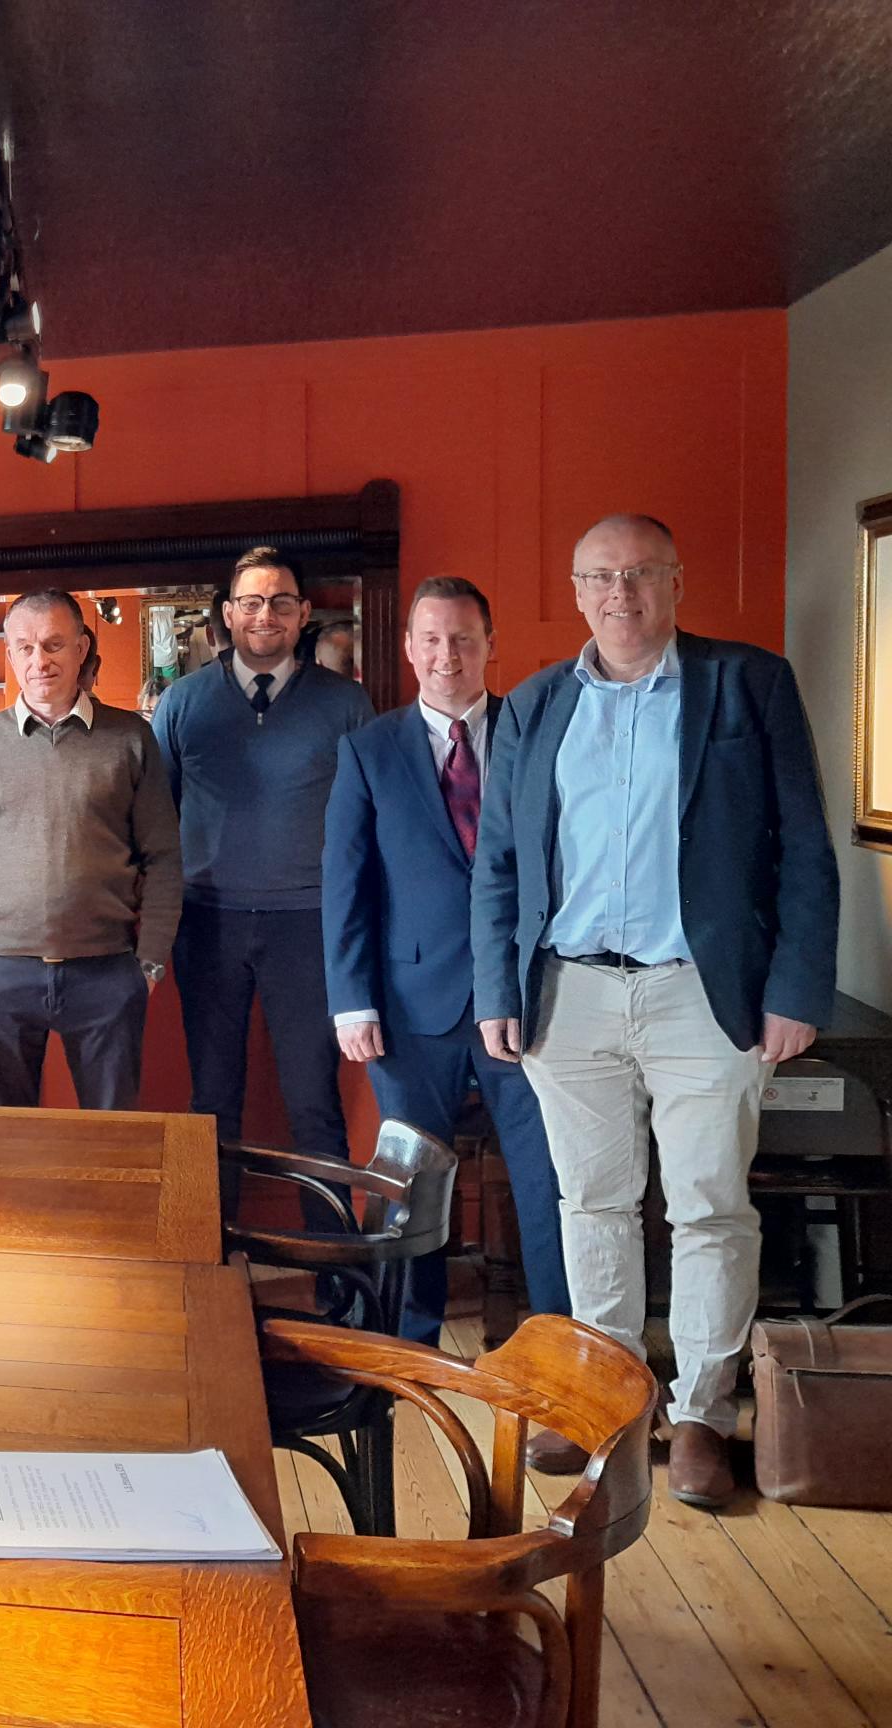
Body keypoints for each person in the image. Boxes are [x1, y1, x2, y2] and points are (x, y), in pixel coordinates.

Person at [473, 513, 838, 1508]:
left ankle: (705, 1415)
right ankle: (612, 1405)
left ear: (676, 582)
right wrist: (497, 989)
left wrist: (795, 991)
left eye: (640, 573)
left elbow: (805, 846)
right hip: (569, 993)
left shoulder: (748, 685)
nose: (620, 593)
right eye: (600, 577)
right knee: (590, 1203)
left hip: (702, 993)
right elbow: (499, 862)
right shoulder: (535, 705)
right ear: (576, 591)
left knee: (709, 1206)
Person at [322, 577, 578, 1467]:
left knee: (550, 1184)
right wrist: (351, 999)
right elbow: (347, 883)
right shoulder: (369, 750)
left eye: (463, 638)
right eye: (430, 639)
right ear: (408, 649)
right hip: (409, 1009)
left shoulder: (537, 735)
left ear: (490, 644)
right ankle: (410, 1352)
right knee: (411, 1190)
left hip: (531, 1005)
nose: (446, 655)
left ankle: (559, 1357)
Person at [154, 548, 374, 1174]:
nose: (264, 615)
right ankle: (213, 1236)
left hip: (308, 924)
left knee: (314, 1105)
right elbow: (156, 817)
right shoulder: (182, 703)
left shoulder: (346, 705)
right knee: (212, 1102)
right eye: (250, 602)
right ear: (228, 614)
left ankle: (332, 1242)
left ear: (303, 612)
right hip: (207, 924)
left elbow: (367, 825)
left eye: (280, 602)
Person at [0, 590, 181, 1108]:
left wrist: (150, 964)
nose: (39, 660)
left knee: (111, 1135)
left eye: (53, 644)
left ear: (82, 648)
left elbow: (163, 858)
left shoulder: (130, 738)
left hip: (106, 970)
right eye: (24, 647)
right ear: (9, 654)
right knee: (8, 1139)